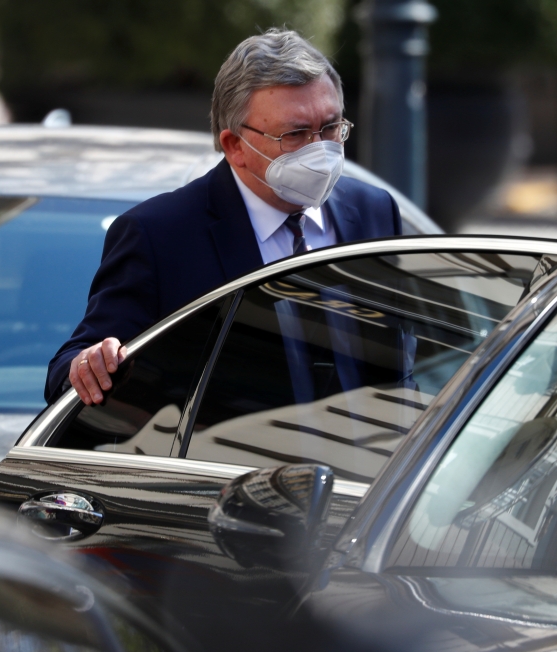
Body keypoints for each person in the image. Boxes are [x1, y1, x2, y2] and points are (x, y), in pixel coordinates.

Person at [45, 28, 402, 406]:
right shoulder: (160, 235)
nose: (321, 150)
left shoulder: (373, 211)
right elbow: (75, 369)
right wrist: (89, 364)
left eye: (331, 127)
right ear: (235, 146)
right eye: (295, 134)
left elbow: (402, 356)